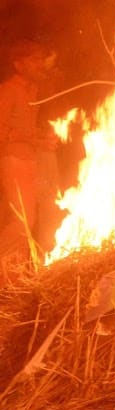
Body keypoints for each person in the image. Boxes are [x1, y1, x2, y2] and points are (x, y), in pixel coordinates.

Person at [0, 39, 55, 281]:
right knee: (22, 221)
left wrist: (44, 136)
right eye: (33, 60)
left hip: (29, 161)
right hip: (13, 161)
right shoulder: (8, 90)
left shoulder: (32, 91)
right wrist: (36, 140)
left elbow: (25, 128)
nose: (40, 64)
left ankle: (15, 278)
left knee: (30, 221)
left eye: (40, 58)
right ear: (18, 64)